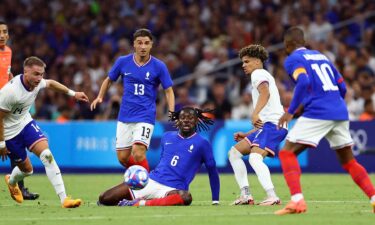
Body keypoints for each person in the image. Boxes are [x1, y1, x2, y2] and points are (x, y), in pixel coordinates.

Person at [275, 27, 375, 215]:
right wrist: (334, 104)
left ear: (287, 44)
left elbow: (303, 82)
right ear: (303, 42)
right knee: (349, 162)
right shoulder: (321, 56)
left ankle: (297, 201)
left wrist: (291, 111)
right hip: (339, 111)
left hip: (319, 112)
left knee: (287, 153)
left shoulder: (293, 60)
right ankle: (374, 198)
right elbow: (342, 86)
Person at [0, 56, 88, 207]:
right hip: (9, 133)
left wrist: (74, 94)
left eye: (41, 74)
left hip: (25, 123)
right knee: (27, 170)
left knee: (47, 155)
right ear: (25, 72)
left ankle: (64, 199)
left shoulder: (38, 82)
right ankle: (12, 180)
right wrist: (2, 144)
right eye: (36, 74)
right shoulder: (10, 92)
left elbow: (51, 83)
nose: (39, 78)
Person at [97, 107, 220, 207]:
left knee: (186, 197)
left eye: (190, 118)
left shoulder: (203, 143)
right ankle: (137, 198)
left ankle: (141, 203)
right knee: (104, 198)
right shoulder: (167, 137)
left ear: (197, 121)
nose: (186, 120)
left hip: (172, 189)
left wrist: (215, 200)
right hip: (150, 181)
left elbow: (212, 171)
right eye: (183, 117)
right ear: (178, 120)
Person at [90, 28, 175, 172]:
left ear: (151, 45)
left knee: (138, 151)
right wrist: (100, 96)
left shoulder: (159, 66)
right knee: (122, 158)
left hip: (145, 115)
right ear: (134, 44)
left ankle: (148, 183)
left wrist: (172, 111)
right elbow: (108, 80)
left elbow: (169, 91)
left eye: (146, 43)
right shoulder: (123, 62)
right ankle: (141, 175)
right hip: (125, 115)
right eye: (139, 43)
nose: (143, 46)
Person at [228, 44, 287, 206]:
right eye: (243, 62)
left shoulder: (258, 73)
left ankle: (272, 195)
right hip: (270, 124)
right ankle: (245, 194)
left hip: (275, 125)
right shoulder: (262, 74)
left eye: (247, 61)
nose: (243, 65)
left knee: (254, 158)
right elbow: (267, 115)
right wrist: (248, 134)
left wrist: (254, 113)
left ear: (257, 61)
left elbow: (265, 93)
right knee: (234, 153)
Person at [0, 21, 39, 200]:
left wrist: (11, 80)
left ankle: (20, 188)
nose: (1, 35)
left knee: (16, 146)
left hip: (7, 106)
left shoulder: (8, 51)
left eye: (4, 32)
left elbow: (7, 74)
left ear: (8, 35)